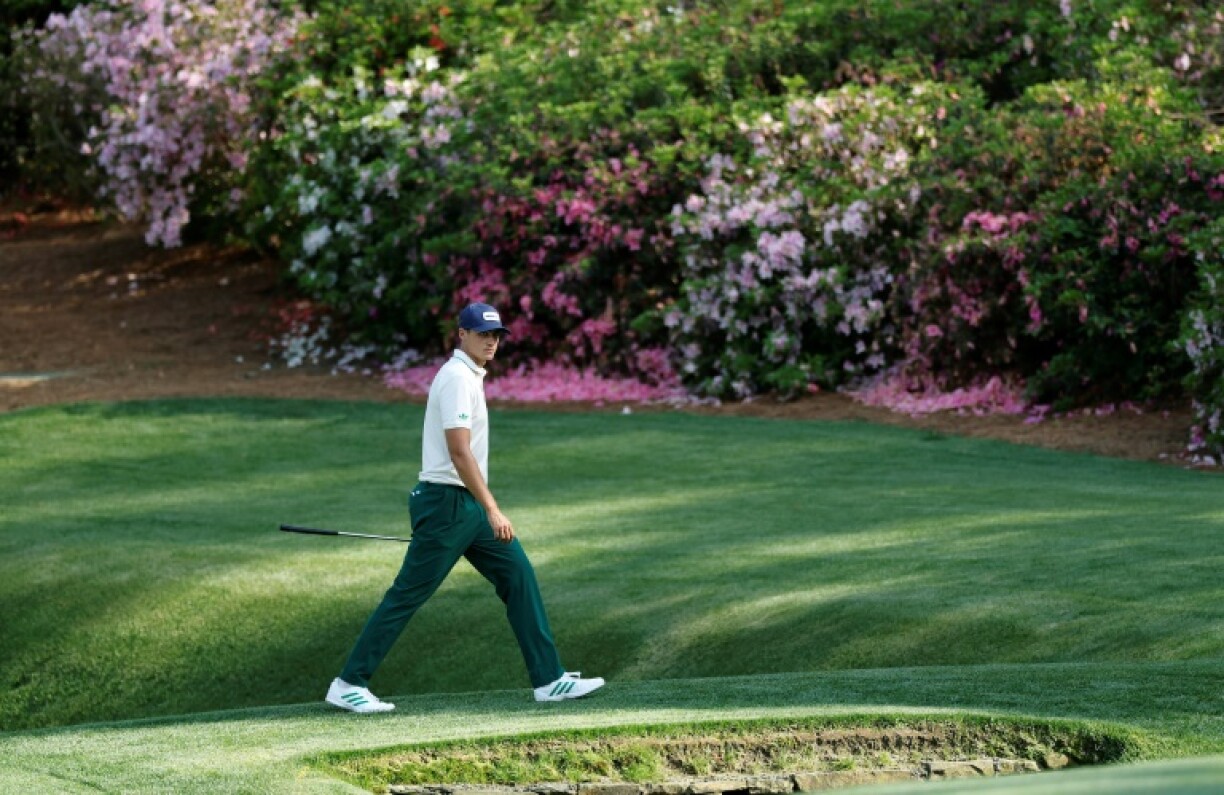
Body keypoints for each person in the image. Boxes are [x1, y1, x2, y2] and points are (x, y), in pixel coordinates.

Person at [325, 302, 604, 713]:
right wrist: (492, 507)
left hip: (464, 506)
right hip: (447, 504)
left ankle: (549, 679)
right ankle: (348, 683)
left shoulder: (470, 376)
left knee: (518, 576)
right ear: (462, 334)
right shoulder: (457, 378)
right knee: (407, 595)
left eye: (496, 335)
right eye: (482, 333)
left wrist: (482, 507)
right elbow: (459, 452)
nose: (491, 341)